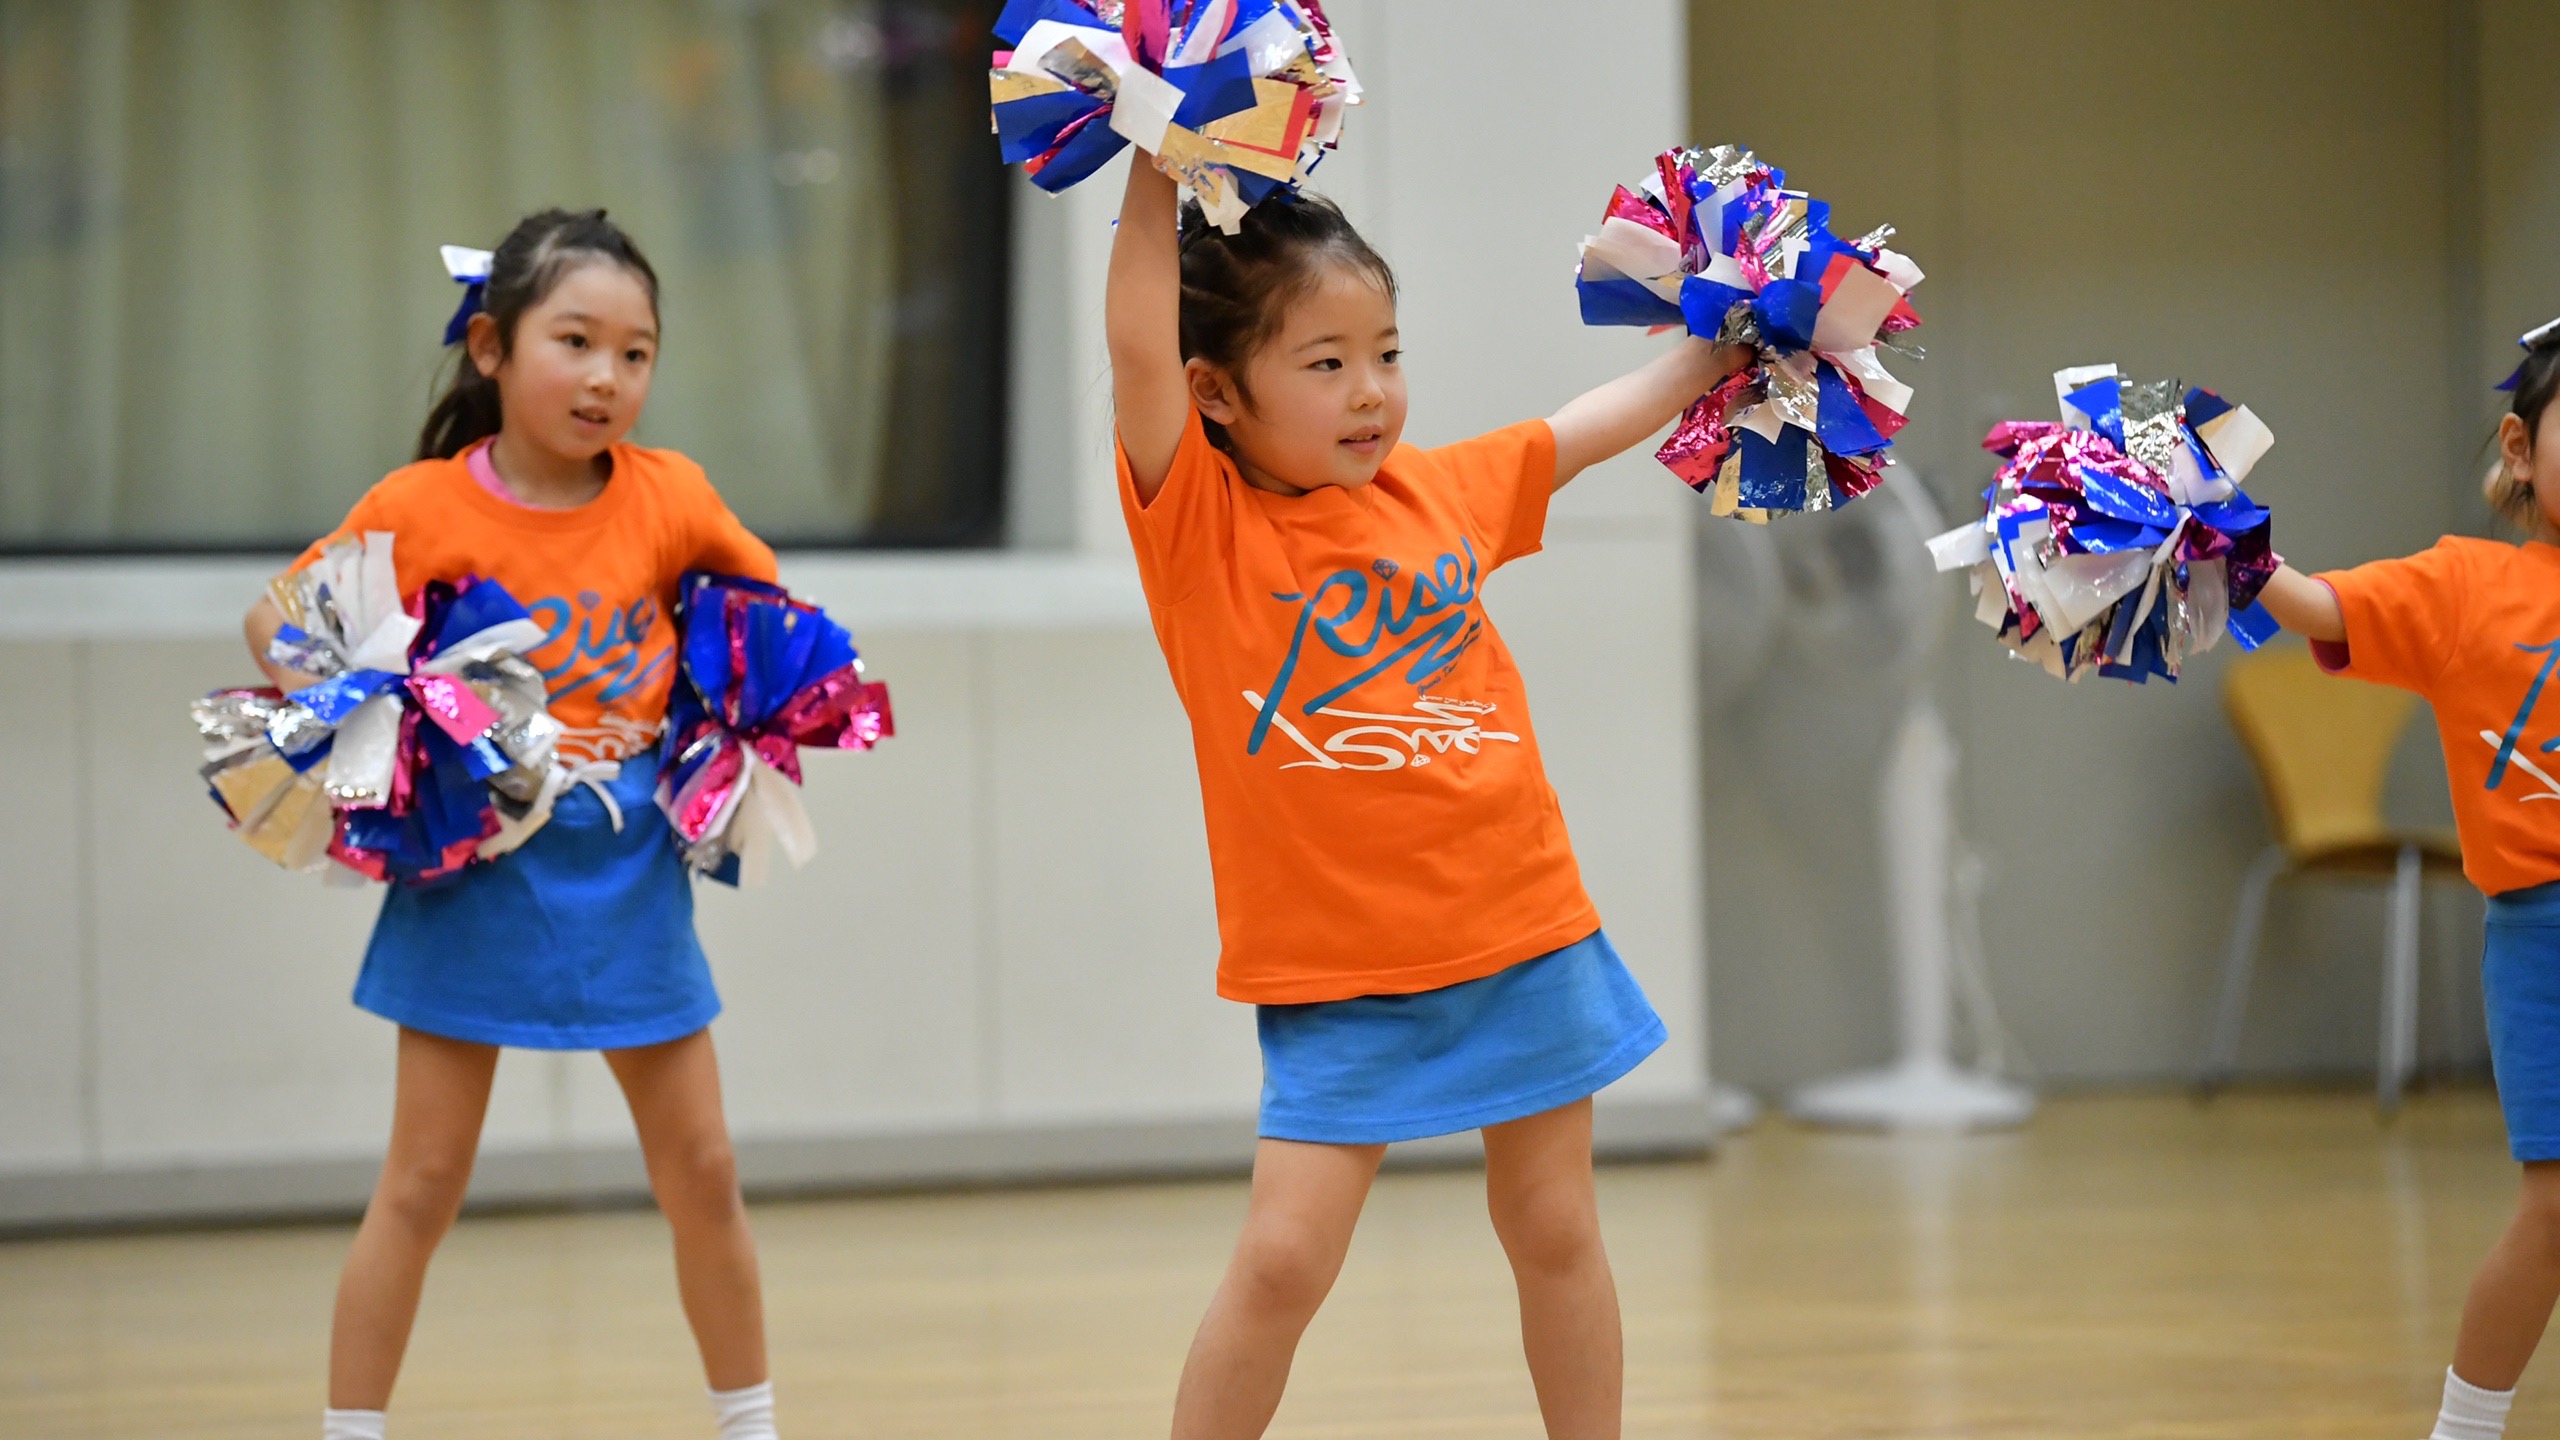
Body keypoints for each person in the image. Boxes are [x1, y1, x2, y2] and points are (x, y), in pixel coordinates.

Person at [1105, 153, 1749, 1440]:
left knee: (1554, 1227)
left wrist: (1713, 357)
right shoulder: (1198, 529)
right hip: (1338, 973)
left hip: (1517, 931)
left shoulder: (1435, 494)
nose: (1372, 393)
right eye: (1325, 362)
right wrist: (1151, 151)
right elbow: (1133, 342)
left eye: (1385, 352)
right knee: (1284, 1261)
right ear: (1215, 395)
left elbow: (1580, 430)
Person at [241, 209, 783, 1440]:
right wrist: (389, 705)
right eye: (575, 340)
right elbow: (273, 625)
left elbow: (772, 618)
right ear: (490, 346)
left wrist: (721, 719)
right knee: (423, 1181)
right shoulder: (422, 503)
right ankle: (351, 1430)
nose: (607, 377)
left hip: (630, 870)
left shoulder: (672, 493)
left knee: (702, 1174)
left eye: (636, 352)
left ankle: (750, 1425)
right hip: (471, 875)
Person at [2253, 320, 2560, 1440]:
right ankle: (2464, 1432)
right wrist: (2236, 549)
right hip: (2547, 938)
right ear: (2520, 450)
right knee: (2557, 1212)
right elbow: (2326, 609)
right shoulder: (2466, 586)